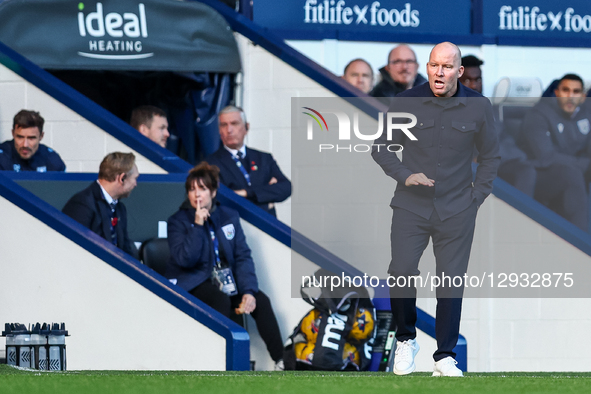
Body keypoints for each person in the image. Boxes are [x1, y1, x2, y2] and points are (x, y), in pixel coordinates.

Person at [372, 42, 500, 377]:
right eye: (433, 65)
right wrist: (405, 174)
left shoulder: (479, 106)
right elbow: (381, 149)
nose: (438, 73)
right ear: (426, 68)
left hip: (458, 208)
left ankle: (444, 356)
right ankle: (405, 340)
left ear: (459, 72)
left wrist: (477, 197)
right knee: (400, 271)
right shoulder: (405, 102)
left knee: (450, 280)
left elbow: (490, 156)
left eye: (445, 67)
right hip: (410, 205)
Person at [166, 162, 284, 369]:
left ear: (213, 191)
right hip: (193, 281)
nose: (197, 195)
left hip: (223, 280)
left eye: (202, 188)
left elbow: (242, 256)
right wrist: (197, 224)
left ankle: (283, 362)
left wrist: (248, 291)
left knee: (260, 300)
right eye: (192, 189)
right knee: (220, 300)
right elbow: (186, 259)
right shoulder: (178, 221)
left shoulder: (228, 216)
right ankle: (223, 364)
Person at [518, 73, 591, 231]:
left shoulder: (587, 113)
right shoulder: (538, 114)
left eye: (576, 92)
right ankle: (582, 241)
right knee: (573, 174)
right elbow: (546, 157)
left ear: (583, 96)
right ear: (557, 92)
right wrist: (585, 164)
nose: (570, 97)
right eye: (566, 90)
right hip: (540, 175)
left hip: (576, 172)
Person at [206, 105, 291, 217]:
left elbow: (286, 187)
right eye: (224, 125)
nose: (229, 130)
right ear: (219, 130)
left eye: (234, 123)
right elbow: (222, 199)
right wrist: (266, 203)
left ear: (246, 127)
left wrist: (246, 193)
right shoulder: (210, 163)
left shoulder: (264, 158)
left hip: (267, 227)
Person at [62, 152, 139, 258]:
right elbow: (75, 249)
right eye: (135, 178)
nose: (136, 184)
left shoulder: (120, 208)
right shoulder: (82, 204)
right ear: (121, 178)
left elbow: (126, 248)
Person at [0, 110, 65, 172]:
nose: (25, 144)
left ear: (41, 136)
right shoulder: (2, 156)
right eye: (20, 137)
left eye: (31, 138)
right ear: (13, 133)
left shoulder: (52, 161)